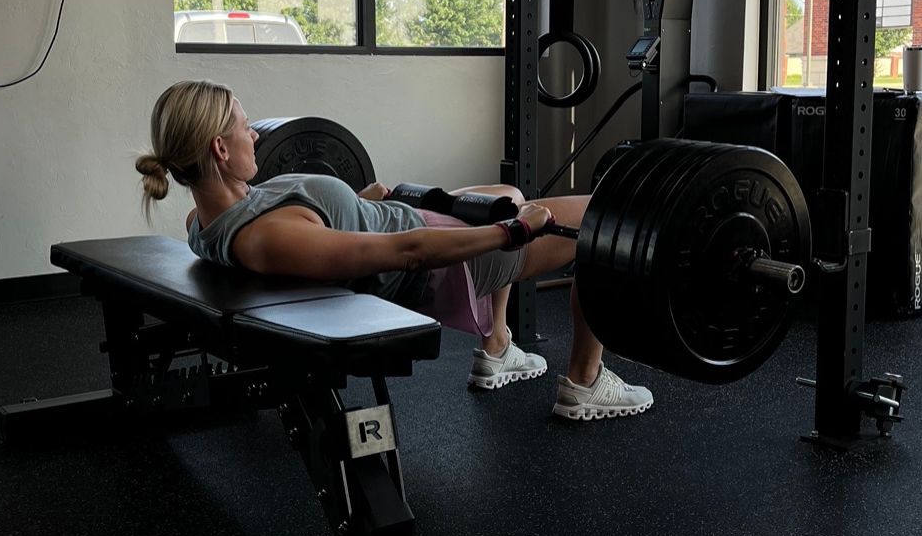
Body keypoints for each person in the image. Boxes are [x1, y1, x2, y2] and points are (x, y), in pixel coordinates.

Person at [136, 80, 652, 421]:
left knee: (508, 195)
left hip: (410, 222)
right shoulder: (265, 237)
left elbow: (321, 235)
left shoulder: (202, 218)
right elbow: (406, 253)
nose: (254, 134)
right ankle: (585, 381)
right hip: (446, 260)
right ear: (220, 150)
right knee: (603, 219)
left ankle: (497, 349)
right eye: (244, 127)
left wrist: (355, 204)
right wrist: (513, 234)